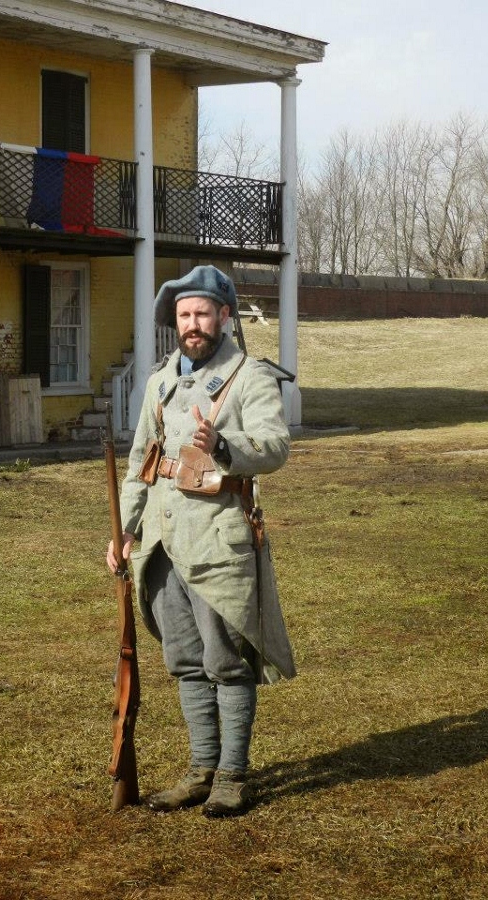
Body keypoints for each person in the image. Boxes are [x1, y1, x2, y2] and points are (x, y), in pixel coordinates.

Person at [106, 264, 296, 817]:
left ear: (225, 317)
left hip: (218, 542)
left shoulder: (250, 376)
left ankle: (232, 777)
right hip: (163, 546)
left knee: (227, 661)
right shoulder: (160, 381)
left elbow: (275, 445)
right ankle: (199, 770)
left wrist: (223, 444)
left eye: (203, 313)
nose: (193, 324)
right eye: (184, 315)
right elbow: (143, 461)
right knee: (185, 660)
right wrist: (128, 529)